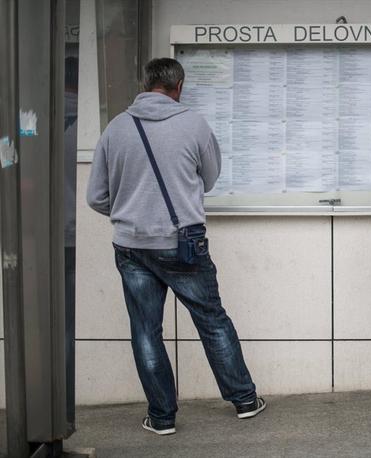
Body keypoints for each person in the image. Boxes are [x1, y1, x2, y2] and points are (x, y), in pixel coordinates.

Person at [86, 58, 266, 436]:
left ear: (144, 83)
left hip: (132, 247)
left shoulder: (116, 129)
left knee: (146, 330)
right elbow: (210, 179)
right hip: (184, 244)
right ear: (179, 87)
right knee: (212, 320)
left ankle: (162, 418)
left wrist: (130, 215)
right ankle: (245, 400)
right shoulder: (194, 124)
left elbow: (96, 197)